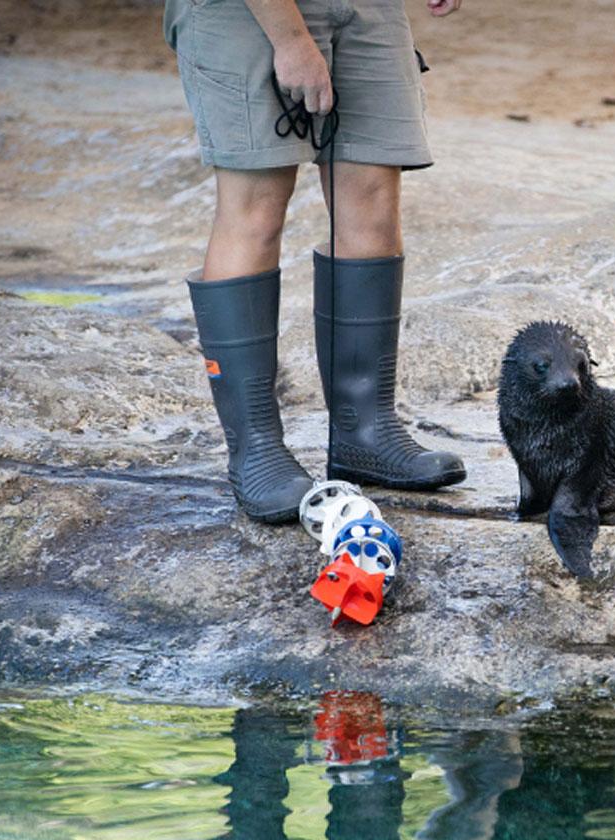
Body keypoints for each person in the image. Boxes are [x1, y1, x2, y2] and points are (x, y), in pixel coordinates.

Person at [163, 0, 466, 525]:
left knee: (371, 199)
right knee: (255, 209)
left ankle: (365, 430)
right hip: (249, 14)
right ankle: (256, 448)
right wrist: (290, 39)